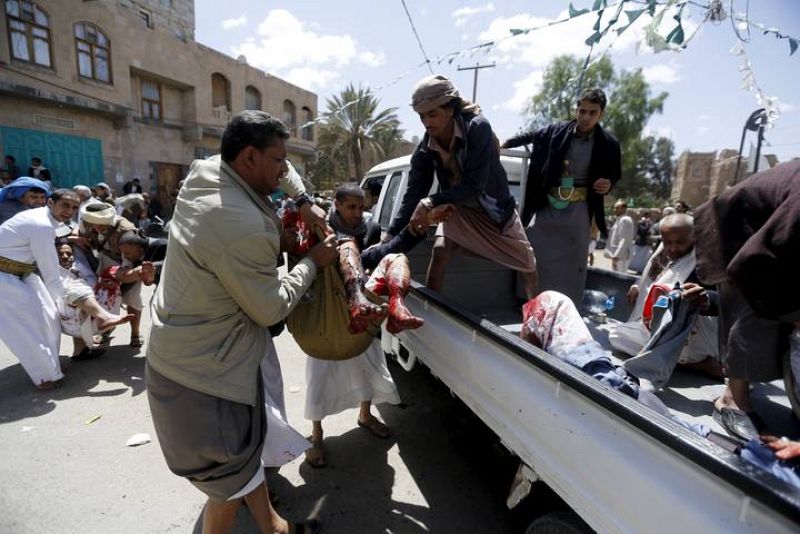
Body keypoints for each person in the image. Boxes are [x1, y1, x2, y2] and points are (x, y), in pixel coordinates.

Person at [146, 110, 336, 534]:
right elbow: (270, 309)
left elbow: (285, 177)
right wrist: (310, 261)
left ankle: (274, 528)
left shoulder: (206, 170)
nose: (284, 170)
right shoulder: (238, 221)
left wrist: (303, 201)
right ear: (249, 157)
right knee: (227, 484)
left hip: (196, 347)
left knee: (245, 462)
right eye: (277, 160)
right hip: (204, 372)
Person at [300, 184, 427, 467]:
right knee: (320, 378)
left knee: (397, 258)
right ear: (336, 204)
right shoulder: (317, 226)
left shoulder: (369, 226)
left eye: (361, 207)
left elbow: (381, 252)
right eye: (351, 207)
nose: (358, 214)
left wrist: (416, 229)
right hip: (328, 311)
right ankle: (316, 435)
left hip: (365, 311)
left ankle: (396, 308)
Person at [386, 74, 538, 297]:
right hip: (457, 208)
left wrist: (430, 202)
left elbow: (474, 186)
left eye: (432, 114)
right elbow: (413, 194)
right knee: (439, 254)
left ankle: (535, 324)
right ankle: (432, 310)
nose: (427, 122)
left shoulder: (478, 128)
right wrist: (389, 238)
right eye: (421, 117)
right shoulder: (425, 148)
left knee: (529, 267)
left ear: (449, 110)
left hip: (495, 212)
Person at [694, 160, 800, 442]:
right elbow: (754, 262)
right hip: (737, 231)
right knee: (754, 310)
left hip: (772, 231)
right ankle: (732, 399)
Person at [502, 88, 621, 305]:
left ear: (601, 114)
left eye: (592, 113)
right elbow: (532, 136)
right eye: (582, 110)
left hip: (580, 210)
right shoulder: (556, 131)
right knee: (536, 254)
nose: (585, 117)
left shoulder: (609, 144)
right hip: (547, 206)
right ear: (576, 109)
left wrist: (608, 183)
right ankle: (529, 303)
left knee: (572, 264)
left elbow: (615, 173)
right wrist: (504, 144)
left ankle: (564, 308)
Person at [607, 214, 721, 378]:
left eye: (680, 242)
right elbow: (654, 279)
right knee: (617, 336)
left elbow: (728, 302)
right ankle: (689, 362)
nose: (673, 248)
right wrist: (638, 287)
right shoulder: (663, 251)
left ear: (694, 236)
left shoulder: (708, 260)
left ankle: (699, 362)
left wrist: (705, 298)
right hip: (660, 328)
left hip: (695, 332)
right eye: (668, 242)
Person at [0, 189, 80, 389]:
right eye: (65, 205)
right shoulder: (41, 224)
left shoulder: (50, 221)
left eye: (74, 207)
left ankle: (51, 368)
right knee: (26, 329)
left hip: (23, 274)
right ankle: (44, 377)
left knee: (50, 318)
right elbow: (50, 270)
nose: (69, 211)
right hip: (4, 279)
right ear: (50, 203)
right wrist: (70, 299)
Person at [55, 239, 133, 359]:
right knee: (75, 298)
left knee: (109, 275)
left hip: (95, 306)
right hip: (69, 316)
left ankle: (81, 352)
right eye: (60, 254)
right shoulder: (52, 274)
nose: (65, 257)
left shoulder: (81, 265)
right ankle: (100, 326)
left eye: (69, 254)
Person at [604, 200, 635, 272]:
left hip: (621, 256)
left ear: (624, 209)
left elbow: (624, 239)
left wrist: (617, 255)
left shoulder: (625, 220)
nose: (615, 210)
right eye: (614, 208)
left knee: (620, 276)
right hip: (617, 254)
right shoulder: (620, 219)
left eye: (617, 208)